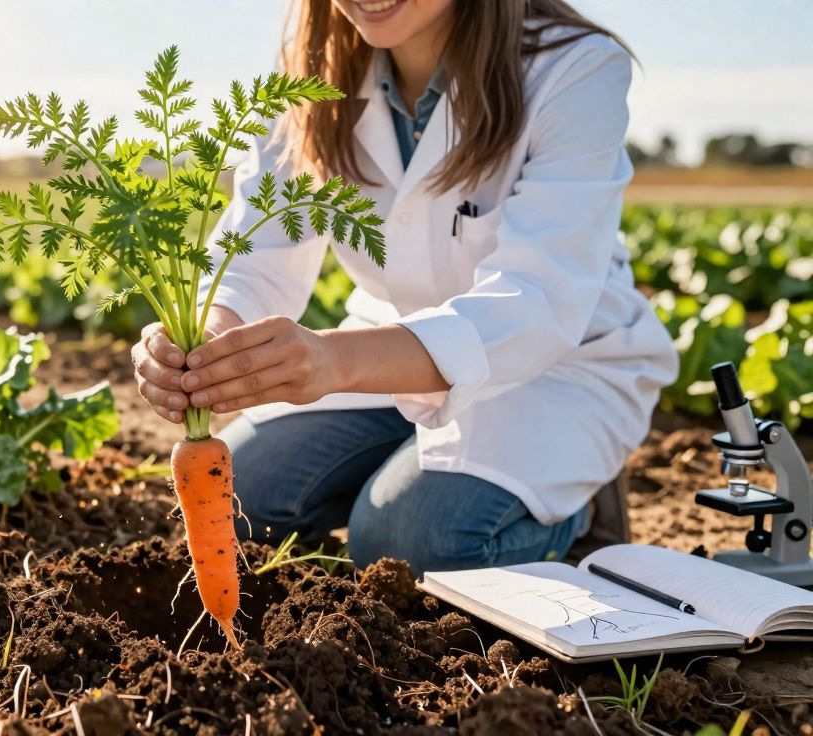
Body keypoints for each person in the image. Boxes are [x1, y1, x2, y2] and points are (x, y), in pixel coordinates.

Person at [130, 0, 678, 575]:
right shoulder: (311, 72)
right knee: (245, 498)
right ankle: (419, 469)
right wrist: (207, 336)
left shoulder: (574, 68)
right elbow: (257, 254)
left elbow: (538, 299)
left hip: (554, 366)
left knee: (409, 540)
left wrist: (333, 362)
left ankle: (578, 506)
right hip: (382, 352)